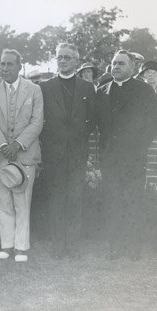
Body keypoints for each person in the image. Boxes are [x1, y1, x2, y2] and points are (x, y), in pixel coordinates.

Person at [96, 49, 157, 261]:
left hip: (133, 157)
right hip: (110, 158)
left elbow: (150, 125)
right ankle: (115, 245)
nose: (116, 67)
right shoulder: (102, 90)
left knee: (132, 201)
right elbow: (99, 127)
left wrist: (138, 148)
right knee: (112, 201)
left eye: (121, 64)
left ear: (132, 67)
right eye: (114, 63)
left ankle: (133, 247)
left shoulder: (143, 90)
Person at [0, 49, 43, 262]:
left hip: (25, 153)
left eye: (10, 64)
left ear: (19, 66)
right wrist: (2, 145)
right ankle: (6, 245)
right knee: (2, 201)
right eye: (2, 64)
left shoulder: (34, 90)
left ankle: (21, 247)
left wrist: (17, 145)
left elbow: (37, 122)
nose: (5, 68)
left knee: (22, 200)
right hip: (0, 154)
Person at [39, 43, 96, 258]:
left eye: (67, 58)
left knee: (74, 198)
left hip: (77, 152)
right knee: (56, 198)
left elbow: (91, 121)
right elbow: (40, 120)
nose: (62, 61)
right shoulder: (45, 87)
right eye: (59, 57)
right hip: (53, 152)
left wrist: (77, 139)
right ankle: (57, 245)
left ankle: (72, 246)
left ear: (76, 61)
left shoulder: (86, 88)